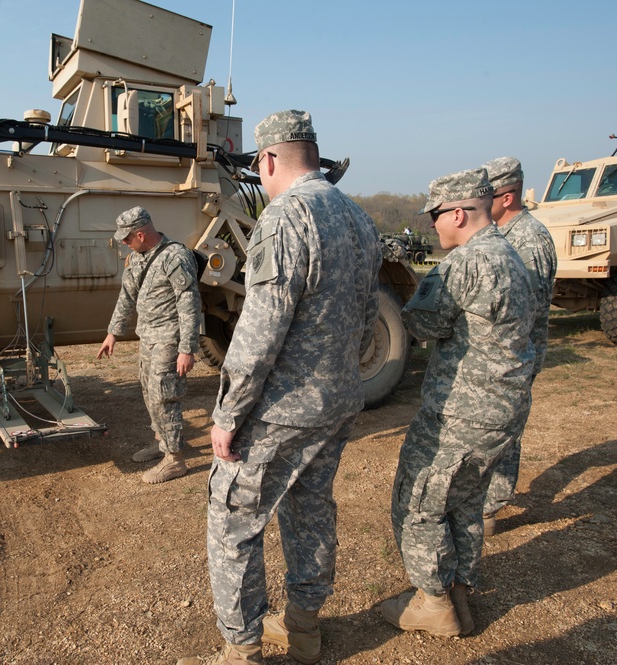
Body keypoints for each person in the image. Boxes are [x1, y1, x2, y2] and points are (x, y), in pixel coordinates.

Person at [178, 110, 381, 665]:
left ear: (268, 159)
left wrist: (226, 415)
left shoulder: (286, 217)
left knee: (232, 521)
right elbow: (367, 323)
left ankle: (242, 650)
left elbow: (259, 331)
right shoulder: (360, 220)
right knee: (311, 508)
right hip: (337, 401)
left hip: (282, 409)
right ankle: (305, 632)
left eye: (257, 167)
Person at [380, 168, 535, 637]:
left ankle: (433, 601)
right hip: (503, 408)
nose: (432, 226)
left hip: (462, 412)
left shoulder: (465, 264)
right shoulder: (512, 254)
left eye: (436, 216)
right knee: (464, 503)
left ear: (460, 213)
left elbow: (422, 325)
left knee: (419, 501)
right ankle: (459, 589)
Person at [480, 157, 558, 536]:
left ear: (507, 197)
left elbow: (529, 307)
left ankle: (488, 510)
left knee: (505, 433)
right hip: (496, 357)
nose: (480, 203)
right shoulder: (501, 235)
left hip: (514, 357)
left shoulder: (529, 239)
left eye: (487, 195)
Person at [97, 206, 201, 484]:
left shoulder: (176, 257)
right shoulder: (136, 259)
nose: (123, 242)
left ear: (141, 234)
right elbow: (126, 297)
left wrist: (187, 348)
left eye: (127, 238)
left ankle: (175, 460)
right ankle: (162, 442)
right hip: (147, 337)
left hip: (169, 338)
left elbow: (189, 304)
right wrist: (113, 333)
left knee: (164, 395)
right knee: (148, 391)